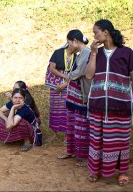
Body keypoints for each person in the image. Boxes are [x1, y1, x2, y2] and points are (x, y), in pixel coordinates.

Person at [85, 19, 133, 185]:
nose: (94, 35)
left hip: (120, 107)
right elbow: (88, 75)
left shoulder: (127, 53)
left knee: (120, 139)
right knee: (97, 139)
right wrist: (93, 53)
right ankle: (95, 171)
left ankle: (123, 172)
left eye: (96, 32)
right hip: (97, 105)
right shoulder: (96, 53)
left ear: (105, 32)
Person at [56, 30, 91, 168]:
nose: (68, 45)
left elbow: (79, 72)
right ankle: (71, 151)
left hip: (81, 97)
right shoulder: (80, 54)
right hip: (73, 96)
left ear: (75, 41)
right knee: (71, 125)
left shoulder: (87, 53)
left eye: (69, 42)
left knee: (82, 126)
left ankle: (84, 156)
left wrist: (67, 76)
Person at [45, 42, 76, 140]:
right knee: (55, 107)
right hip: (56, 84)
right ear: (70, 42)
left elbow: (77, 73)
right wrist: (65, 76)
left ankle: (68, 134)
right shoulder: (58, 53)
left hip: (70, 84)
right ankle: (55, 133)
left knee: (67, 108)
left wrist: (66, 82)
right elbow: (52, 68)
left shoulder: (77, 56)